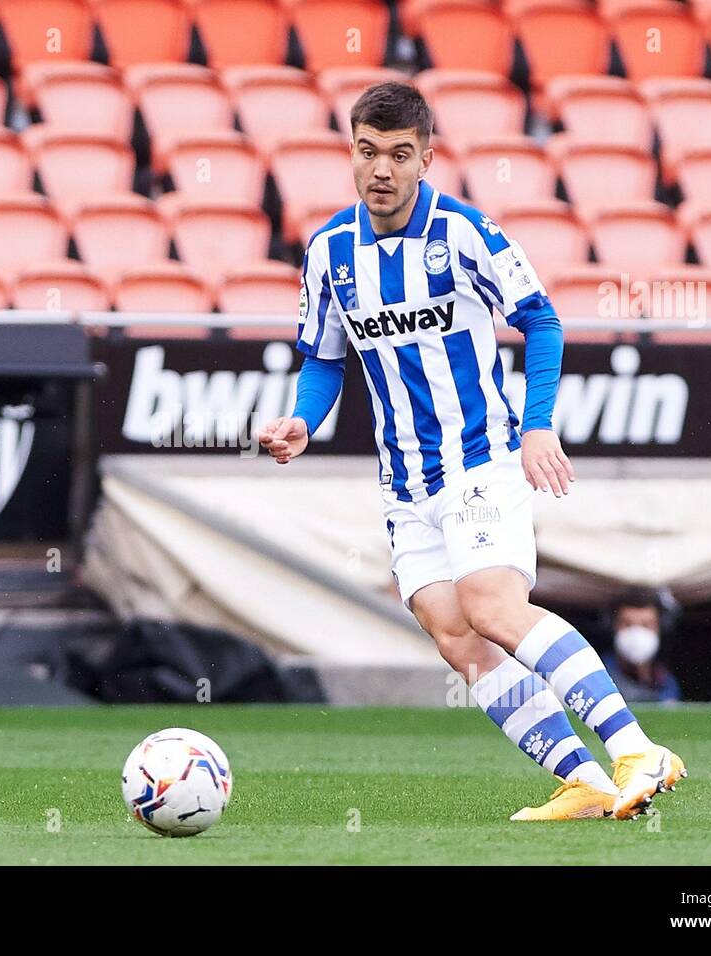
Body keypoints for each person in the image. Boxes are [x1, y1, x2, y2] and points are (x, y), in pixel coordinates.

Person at [257, 82, 686, 821]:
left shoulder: (463, 233)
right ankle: (586, 780)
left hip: (480, 461)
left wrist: (537, 424)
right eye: (367, 152)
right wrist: (302, 417)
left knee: (491, 607)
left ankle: (637, 747)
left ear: (426, 157)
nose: (381, 169)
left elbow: (542, 321)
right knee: (457, 638)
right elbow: (325, 356)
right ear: (351, 154)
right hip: (405, 486)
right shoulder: (329, 251)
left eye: (398, 154)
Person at [602, 589, 682, 704]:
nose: (637, 633)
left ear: (660, 629)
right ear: (613, 627)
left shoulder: (666, 680)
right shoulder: (598, 674)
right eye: (627, 624)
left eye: (646, 625)